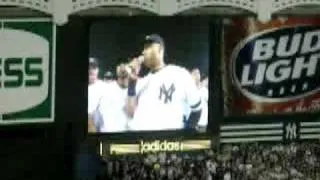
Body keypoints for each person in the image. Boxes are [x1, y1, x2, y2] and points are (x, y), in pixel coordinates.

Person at [125, 34, 202, 131]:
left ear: (160, 49)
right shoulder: (142, 81)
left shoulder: (179, 74)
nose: (143, 52)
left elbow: (197, 109)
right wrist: (132, 81)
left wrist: (185, 134)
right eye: (144, 48)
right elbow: (130, 112)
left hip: (165, 142)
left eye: (148, 47)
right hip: (139, 139)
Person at [96, 63, 132, 132]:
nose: (122, 67)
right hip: (106, 134)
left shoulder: (138, 87)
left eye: (125, 65)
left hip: (128, 135)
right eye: (120, 65)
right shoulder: (103, 88)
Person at [88, 57, 108, 132]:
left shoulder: (105, 87)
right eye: (89, 67)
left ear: (98, 70)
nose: (91, 70)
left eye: (94, 67)